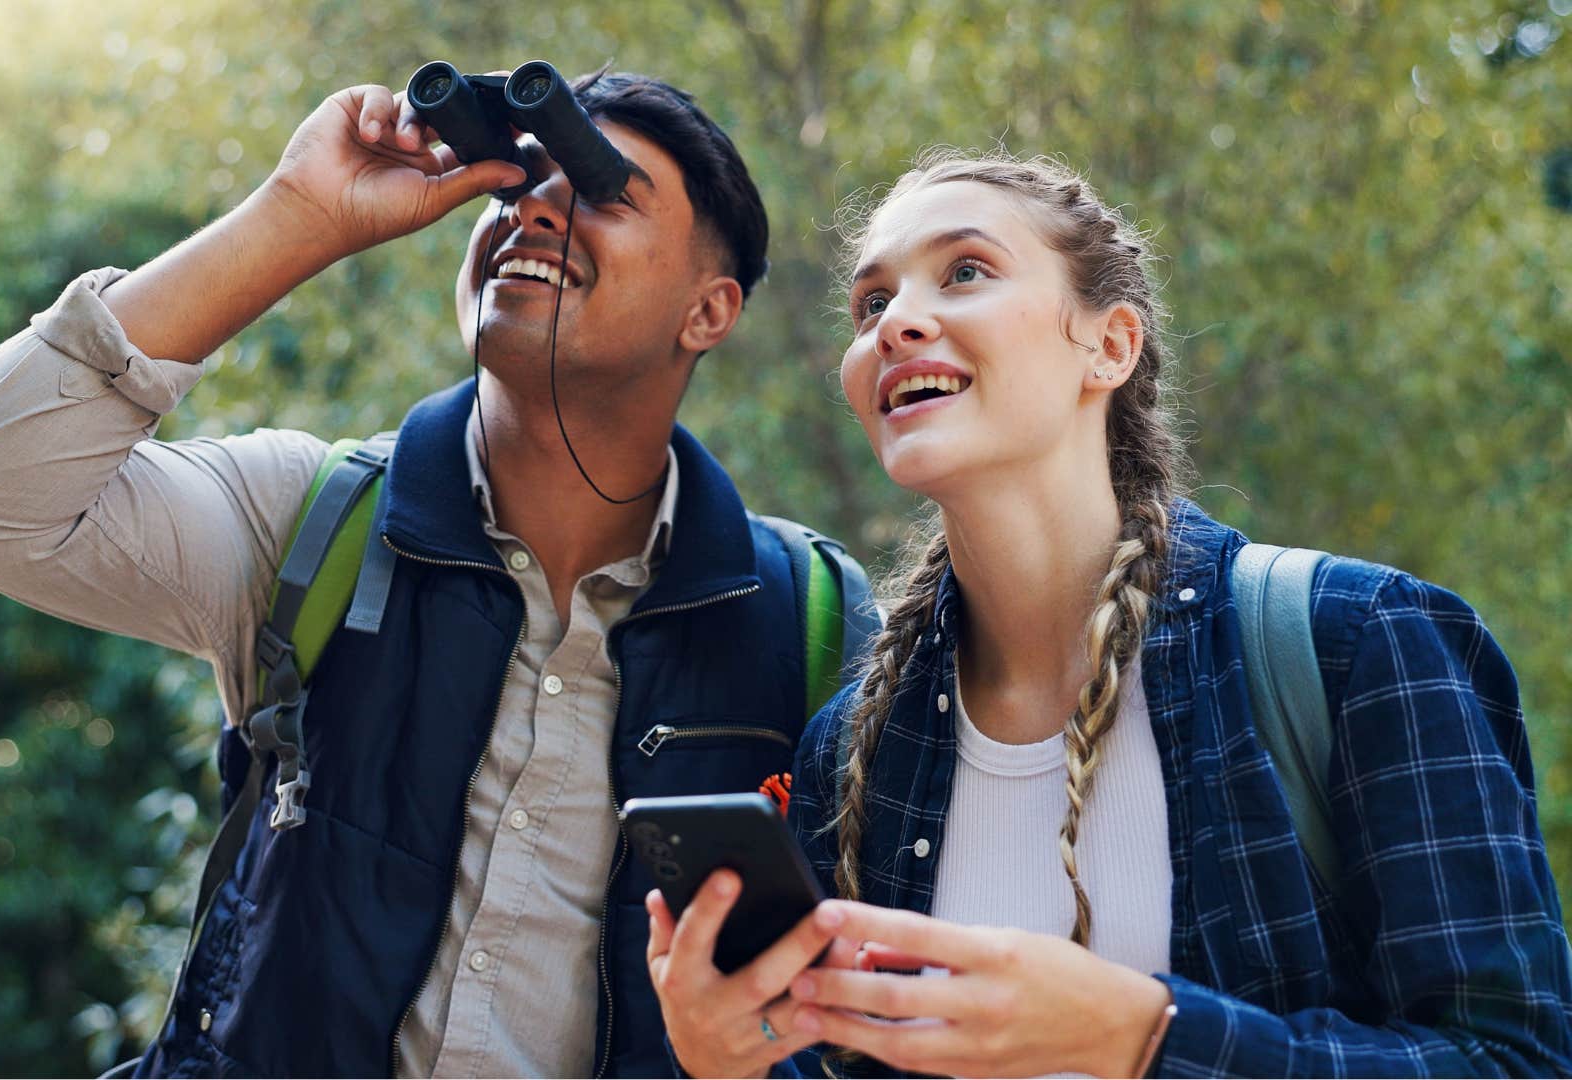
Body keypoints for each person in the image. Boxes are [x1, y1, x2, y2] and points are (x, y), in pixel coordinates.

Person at [0, 67, 867, 1076]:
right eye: (516, 184)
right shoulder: (311, 523)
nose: (537, 209)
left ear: (708, 313)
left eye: (601, 188)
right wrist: (298, 216)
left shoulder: (808, 620)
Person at [645, 148, 1572, 1077]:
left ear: (1110, 346)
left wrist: (1140, 1035)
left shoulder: (1359, 644)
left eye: (965, 272)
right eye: (871, 303)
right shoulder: (854, 748)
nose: (897, 324)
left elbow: (1513, 1059)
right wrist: (738, 1060)